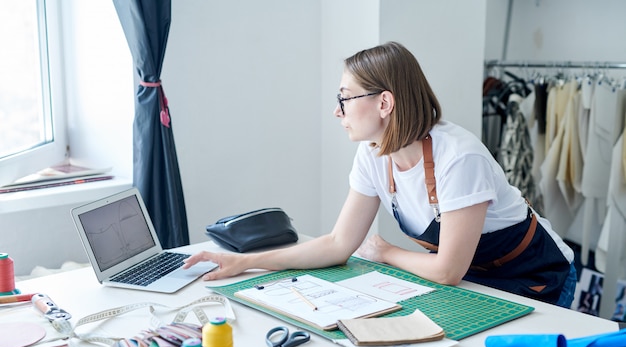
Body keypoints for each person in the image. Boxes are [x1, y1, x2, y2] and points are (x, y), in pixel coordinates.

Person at [184, 41, 577, 308]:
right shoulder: (373, 154)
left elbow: (446, 270)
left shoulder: (459, 157)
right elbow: (338, 243)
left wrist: (385, 252)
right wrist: (244, 264)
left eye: (344, 98)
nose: (337, 111)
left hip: (538, 275)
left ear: (385, 102)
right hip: (477, 280)